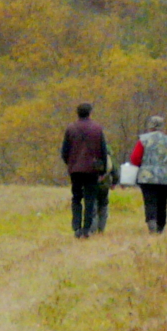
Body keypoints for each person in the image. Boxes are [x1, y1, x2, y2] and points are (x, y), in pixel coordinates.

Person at [128, 115, 167, 234]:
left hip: (146, 177)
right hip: (164, 178)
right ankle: (160, 226)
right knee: (162, 202)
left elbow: (135, 158)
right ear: (162, 127)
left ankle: (151, 221)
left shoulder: (143, 140)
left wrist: (134, 171)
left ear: (150, 126)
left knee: (149, 201)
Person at [60, 102, 108, 239]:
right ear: (90, 113)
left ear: (77, 113)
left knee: (76, 198)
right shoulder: (97, 129)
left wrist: (70, 164)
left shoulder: (71, 128)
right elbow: (103, 151)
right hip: (92, 169)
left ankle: (76, 227)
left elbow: (64, 151)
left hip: (75, 169)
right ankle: (86, 229)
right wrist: (102, 169)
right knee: (90, 199)